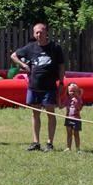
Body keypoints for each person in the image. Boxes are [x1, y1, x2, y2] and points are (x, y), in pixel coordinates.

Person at [11, 23, 65, 152]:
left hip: (49, 87)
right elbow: (13, 55)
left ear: (47, 33)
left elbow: (61, 66)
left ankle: (50, 143)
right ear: (34, 34)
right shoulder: (30, 47)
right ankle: (36, 142)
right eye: (36, 33)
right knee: (35, 114)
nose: (39, 35)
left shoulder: (55, 47)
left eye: (41, 32)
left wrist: (62, 83)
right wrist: (23, 65)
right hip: (34, 86)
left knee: (50, 114)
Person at [63, 82, 83, 152]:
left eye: (74, 91)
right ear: (68, 92)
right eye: (70, 91)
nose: (72, 93)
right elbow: (62, 106)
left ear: (77, 91)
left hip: (76, 119)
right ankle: (68, 147)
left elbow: (80, 108)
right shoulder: (67, 99)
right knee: (69, 133)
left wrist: (76, 102)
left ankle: (78, 148)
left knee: (76, 134)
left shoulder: (79, 99)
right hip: (68, 119)